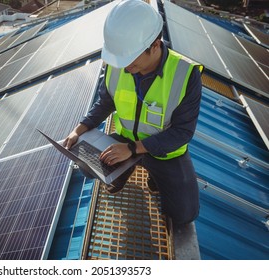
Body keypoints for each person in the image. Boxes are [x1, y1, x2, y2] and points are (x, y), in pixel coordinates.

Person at [63, 0, 203, 226]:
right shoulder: (119, 63)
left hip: (164, 152)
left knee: (184, 215)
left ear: (155, 44)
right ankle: (123, 170)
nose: (125, 67)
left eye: (130, 60)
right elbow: (105, 102)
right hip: (126, 141)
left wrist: (131, 149)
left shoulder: (185, 74)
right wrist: (78, 130)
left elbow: (182, 132)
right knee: (85, 163)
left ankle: (153, 175)